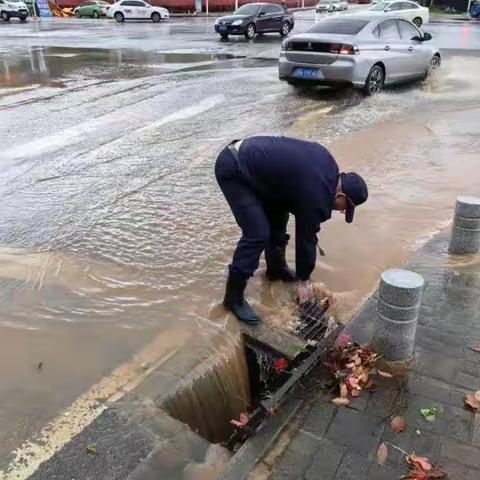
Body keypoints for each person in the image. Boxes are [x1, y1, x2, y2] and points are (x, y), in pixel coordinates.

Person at [215, 136, 368, 325]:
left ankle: (275, 269)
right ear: (340, 195)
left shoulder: (327, 166)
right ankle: (233, 298)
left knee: (278, 217)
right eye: (344, 207)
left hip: (259, 170)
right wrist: (303, 280)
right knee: (257, 234)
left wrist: (302, 275)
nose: (341, 211)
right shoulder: (317, 195)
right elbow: (306, 238)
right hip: (235, 168)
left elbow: (294, 197)